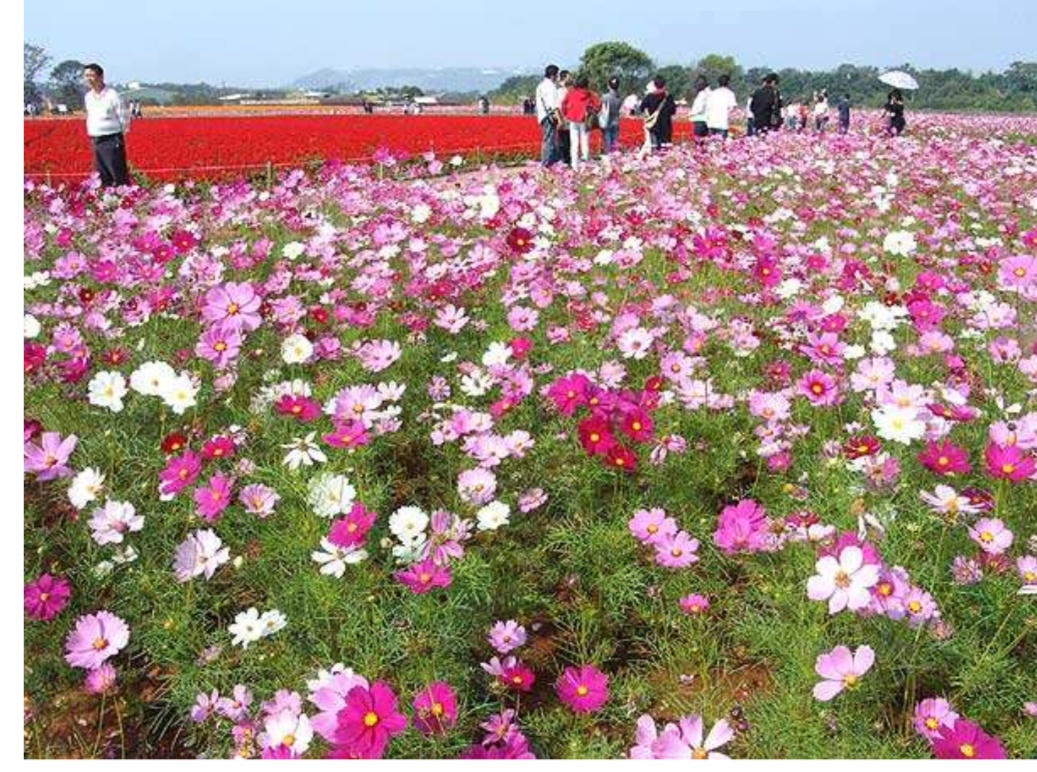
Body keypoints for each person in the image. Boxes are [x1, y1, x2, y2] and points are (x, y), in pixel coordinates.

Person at [83, 63, 131, 187]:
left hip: (111, 139)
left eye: (91, 75)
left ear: (101, 77)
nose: (88, 79)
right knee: (101, 173)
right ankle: (106, 198)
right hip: (96, 139)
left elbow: (124, 117)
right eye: (86, 76)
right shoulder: (88, 97)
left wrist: (119, 135)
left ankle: (123, 195)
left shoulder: (113, 95)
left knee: (117, 172)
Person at [560, 74, 601, 171]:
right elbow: (598, 105)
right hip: (585, 120)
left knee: (574, 144)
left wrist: (566, 114)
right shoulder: (590, 94)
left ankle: (575, 166)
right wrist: (593, 111)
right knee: (584, 142)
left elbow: (563, 104)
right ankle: (584, 165)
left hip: (573, 120)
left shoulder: (571, 92)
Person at [639, 75, 677, 152]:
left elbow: (641, 108)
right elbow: (673, 111)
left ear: (654, 85)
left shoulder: (650, 96)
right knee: (665, 147)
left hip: (654, 125)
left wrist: (648, 113)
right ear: (664, 85)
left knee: (655, 146)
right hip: (666, 126)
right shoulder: (668, 97)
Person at [535, 64, 561, 166]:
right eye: (557, 75)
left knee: (549, 139)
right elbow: (552, 106)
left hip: (543, 116)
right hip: (549, 117)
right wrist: (559, 119)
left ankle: (551, 161)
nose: (557, 78)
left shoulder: (541, 85)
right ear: (553, 75)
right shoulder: (550, 86)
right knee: (549, 140)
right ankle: (547, 163)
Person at [705, 73, 737, 139]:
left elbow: (707, 107)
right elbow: (732, 108)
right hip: (722, 123)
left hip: (711, 122)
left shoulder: (712, 93)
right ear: (728, 83)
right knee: (720, 145)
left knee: (711, 144)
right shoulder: (730, 94)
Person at [600, 76, 622, 153]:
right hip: (616, 122)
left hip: (606, 122)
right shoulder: (619, 97)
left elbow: (600, 108)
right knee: (614, 142)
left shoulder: (604, 97)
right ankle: (615, 158)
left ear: (608, 86)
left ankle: (608, 157)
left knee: (607, 142)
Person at [556, 70, 573, 166]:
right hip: (563, 119)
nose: (571, 79)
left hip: (571, 120)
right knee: (563, 141)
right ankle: (564, 160)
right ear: (564, 78)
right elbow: (557, 107)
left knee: (570, 141)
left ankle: (568, 159)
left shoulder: (570, 91)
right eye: (569, 77)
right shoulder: (559, 92)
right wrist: (560, 120)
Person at [688, 74, 710, 139]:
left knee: (697, 142)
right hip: (705, 122)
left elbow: (698, 109)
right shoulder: (709, 93)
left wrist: (690, 114)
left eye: (698, 84)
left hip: (698, 122)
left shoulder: (702, 94)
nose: (696, 86)